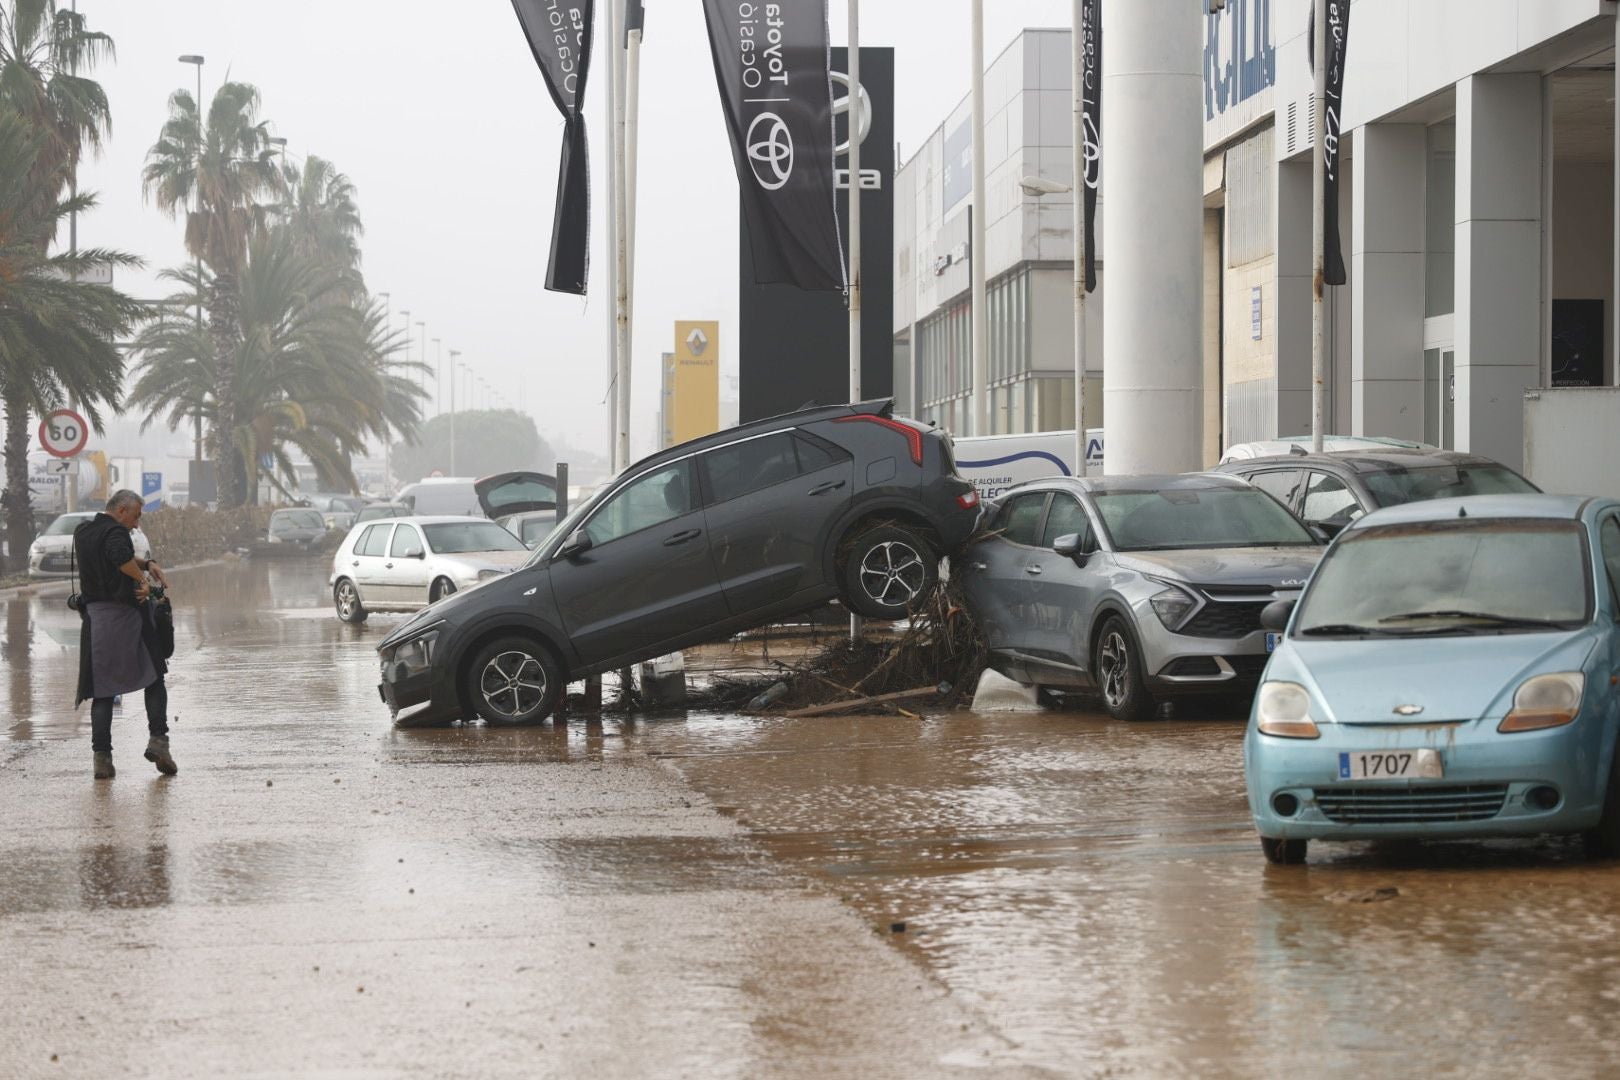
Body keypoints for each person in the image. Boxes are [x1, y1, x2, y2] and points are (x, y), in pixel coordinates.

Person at [74, 490, 175, 779]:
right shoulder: (117, 531)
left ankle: (102, 758)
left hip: (97, 621)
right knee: (155, 676)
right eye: (136, 516)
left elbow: (113, 557)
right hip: (128, 618)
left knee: (102, 691)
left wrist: (146, 563)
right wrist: (142, 579)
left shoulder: (84, 531)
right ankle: (159, 741)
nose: (136, 524)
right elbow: (119, 557)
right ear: (121, 510)